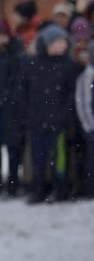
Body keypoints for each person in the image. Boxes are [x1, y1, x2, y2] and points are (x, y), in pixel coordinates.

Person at [20, 25, 82, 204]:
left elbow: (71, 95)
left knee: (59, 159)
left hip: (59, 122)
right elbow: (23, 91)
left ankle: (60, 190)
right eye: (57, 42)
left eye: (63, 42)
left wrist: (64, 116)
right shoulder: (32, 64)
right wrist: (28, 113)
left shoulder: (69, 66)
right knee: (38, 159)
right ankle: (37, 190)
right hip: (36, 120)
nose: (61, 46)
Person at [0, 19, 25, 196]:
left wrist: (10, 98)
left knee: (13, 147)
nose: (1, 40)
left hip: (12, 108)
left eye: (3, 36)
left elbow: (19, 80)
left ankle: (13, 183)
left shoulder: (16, 54)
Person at [74, 42, 94, 199]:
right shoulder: (87, 76)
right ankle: (90, 188)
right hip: (90, 126)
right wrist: (89, 126)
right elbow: (83, 103)